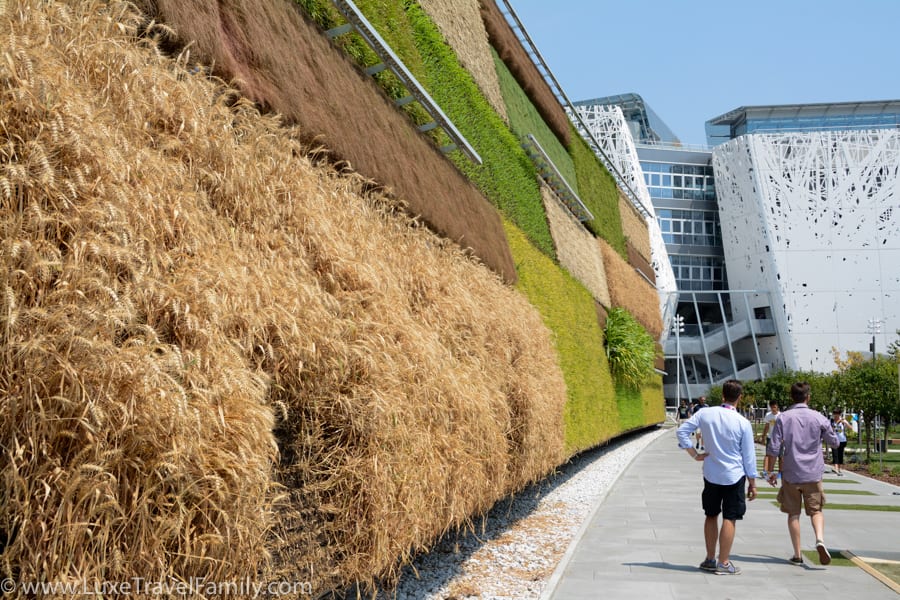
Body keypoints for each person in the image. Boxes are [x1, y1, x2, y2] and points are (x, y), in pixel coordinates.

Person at [677, 381, 758, 575]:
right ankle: (724, 562)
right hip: (734, 474)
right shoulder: (742, 422)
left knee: (711, 514)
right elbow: (749, 456)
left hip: (711, 472)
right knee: (730, 517)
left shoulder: (705, 413)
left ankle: (710, 558)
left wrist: (694, 454)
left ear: (722, 395)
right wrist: (753, 483)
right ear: (740, 397)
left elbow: (681, 431)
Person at [765, 382, 840, 566]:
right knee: (816, 510)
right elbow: (835, 442)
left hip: (790, 472)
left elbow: (774, 447)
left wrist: (771, 472)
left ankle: (797, 554)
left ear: (792, 397)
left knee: (793, 513)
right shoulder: (818, 417)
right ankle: (820, 539)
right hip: (813, 473)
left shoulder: (783, 418)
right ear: (808, 397)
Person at [761, 400, 782, 472]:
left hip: (779, 438)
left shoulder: (781, 415)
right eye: (772, 407)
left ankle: (780, 471)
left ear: (777, 407)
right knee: (767, 454)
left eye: (775, 407)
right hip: (770, 437)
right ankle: (765, 470)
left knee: (780, 455)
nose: (773, 408)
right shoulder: (768, 415)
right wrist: (763, 436)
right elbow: (766, 427)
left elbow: (783, 427)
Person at [830, 409, 851, 476]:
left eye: (838, 413)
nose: (836, 415)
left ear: (840, 414)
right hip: (834, 440)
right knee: (835, 453)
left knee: (840, 454)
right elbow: (829, 429)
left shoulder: (843, 421)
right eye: (835, 413)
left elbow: (850, 428)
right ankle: (836, 468)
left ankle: (838, 468)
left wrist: (845, 423)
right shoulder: (831, 421)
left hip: (842, 440)